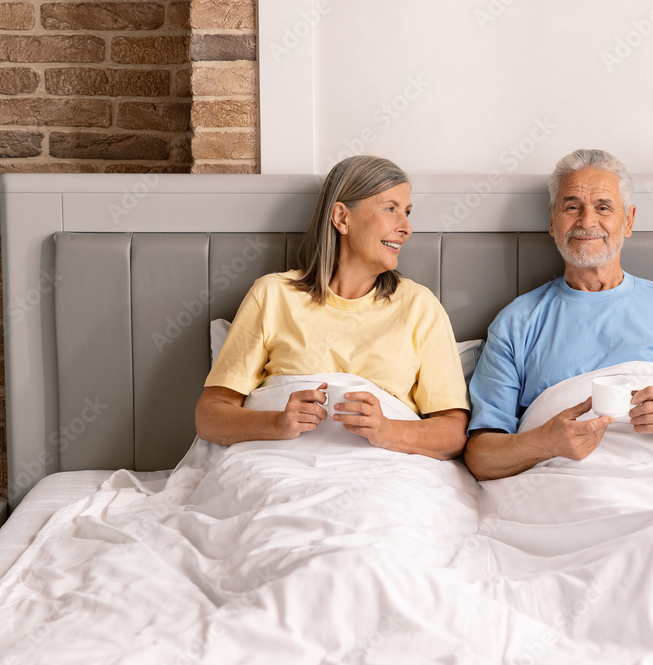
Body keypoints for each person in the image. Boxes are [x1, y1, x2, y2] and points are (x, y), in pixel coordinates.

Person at [464, 149, 653, 480]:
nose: (587, 222)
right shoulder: (516, 324)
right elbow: (481, 457)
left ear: (628, 220)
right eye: (572, 207)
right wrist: (545, 444)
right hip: (565, 488)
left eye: (603, 207)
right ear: (552, 220)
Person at [195, 155, 469, 459]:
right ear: (341, 218)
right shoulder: (272, 295)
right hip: (280, 465)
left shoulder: (420, 307)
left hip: (383, 472)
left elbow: (453, 434)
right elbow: (209, 417)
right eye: (391, 209)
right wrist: (278, 422)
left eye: (406, 212)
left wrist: (386, 430)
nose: (406, 227)